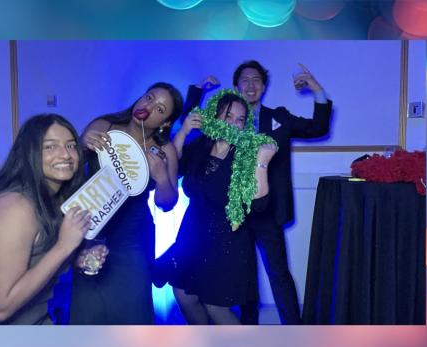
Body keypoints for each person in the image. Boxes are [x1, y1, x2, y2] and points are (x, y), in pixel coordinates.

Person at [184, 61, 332, 324]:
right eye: (245, 80)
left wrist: (317, 90)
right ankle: (249, 328)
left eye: (256, 80)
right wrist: (197, 90)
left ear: (263, 86)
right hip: (229, 217)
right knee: (243, 278)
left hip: (267, 212)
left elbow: (318, 127)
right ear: (236, 86)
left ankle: (295, 329)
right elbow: (190, 125)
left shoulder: (279, 118)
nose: (250, 85)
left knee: (278, 273)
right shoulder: (222, 121)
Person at [70, 83, 183, 324]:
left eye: (160, 109)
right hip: (92, 233)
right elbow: (71, 170)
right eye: (149, 97)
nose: (148, 107)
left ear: (165, 123)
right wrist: (81, 144)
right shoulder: (104, 126)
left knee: (133, 314)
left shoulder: (165, 150)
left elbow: (168, 203)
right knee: (88, 311)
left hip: (133, 239)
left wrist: (162, 178)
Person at [166, 91, 277, 324]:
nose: (234, 124)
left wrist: (262, 163)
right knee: (184, 295)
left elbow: (259, 204)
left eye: (240, 119)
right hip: (192, 232)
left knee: (215, 306)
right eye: (228, 116)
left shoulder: (246, 154)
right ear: (214, 116)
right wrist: (183, 131)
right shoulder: (200, 146)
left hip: (227, 240)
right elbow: (174, 168)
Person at [0, 114, 91, 324]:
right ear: (30, 153)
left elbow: (37, 264)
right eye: (50, 147)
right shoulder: (14, 209)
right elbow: (0, 309)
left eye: (71, 146)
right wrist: (64, 247)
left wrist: (77, 257)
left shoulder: (51, 201)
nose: (65, 154)